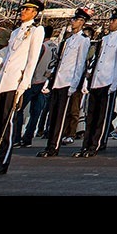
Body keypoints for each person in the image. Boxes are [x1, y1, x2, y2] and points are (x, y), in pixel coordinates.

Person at [0, 0, 46, 178]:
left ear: (34, 13)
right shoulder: (15, 33)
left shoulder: (36, 31)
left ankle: (2, 163)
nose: (23, 12)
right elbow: (7, 58)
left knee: (7, 124)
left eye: (27, 9)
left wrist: (24, 85)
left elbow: (32, 60)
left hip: (15, 82)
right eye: (22, 9)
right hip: (2, 83)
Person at [75, 10, 117, 157]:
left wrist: (116, 84)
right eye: (111, 20)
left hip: (108, 82)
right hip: (96, 81)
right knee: (91, 116)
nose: (111, 23)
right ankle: (86, 144)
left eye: (114, 21)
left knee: (102, 116)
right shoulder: (104, 39)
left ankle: (96, 144)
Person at [40, 10, 91, 157]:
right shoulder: (67, 40)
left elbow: (80, 64)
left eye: (76, 20)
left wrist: (74, 85)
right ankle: (50, 144)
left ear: (82, 22)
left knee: (61, 116)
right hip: (58, 81)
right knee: (53, 114)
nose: (73, 22)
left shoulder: (83, 40)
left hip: (68, 81)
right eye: (73, 19)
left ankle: (54, 146)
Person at [16, 23, 56, 147]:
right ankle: (28, 137)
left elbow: (33, 61)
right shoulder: (55, 46)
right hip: (44, 81)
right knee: (36, 112)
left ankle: (16, 137)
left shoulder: (41, 47)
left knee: (19, 109)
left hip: (33, 81)